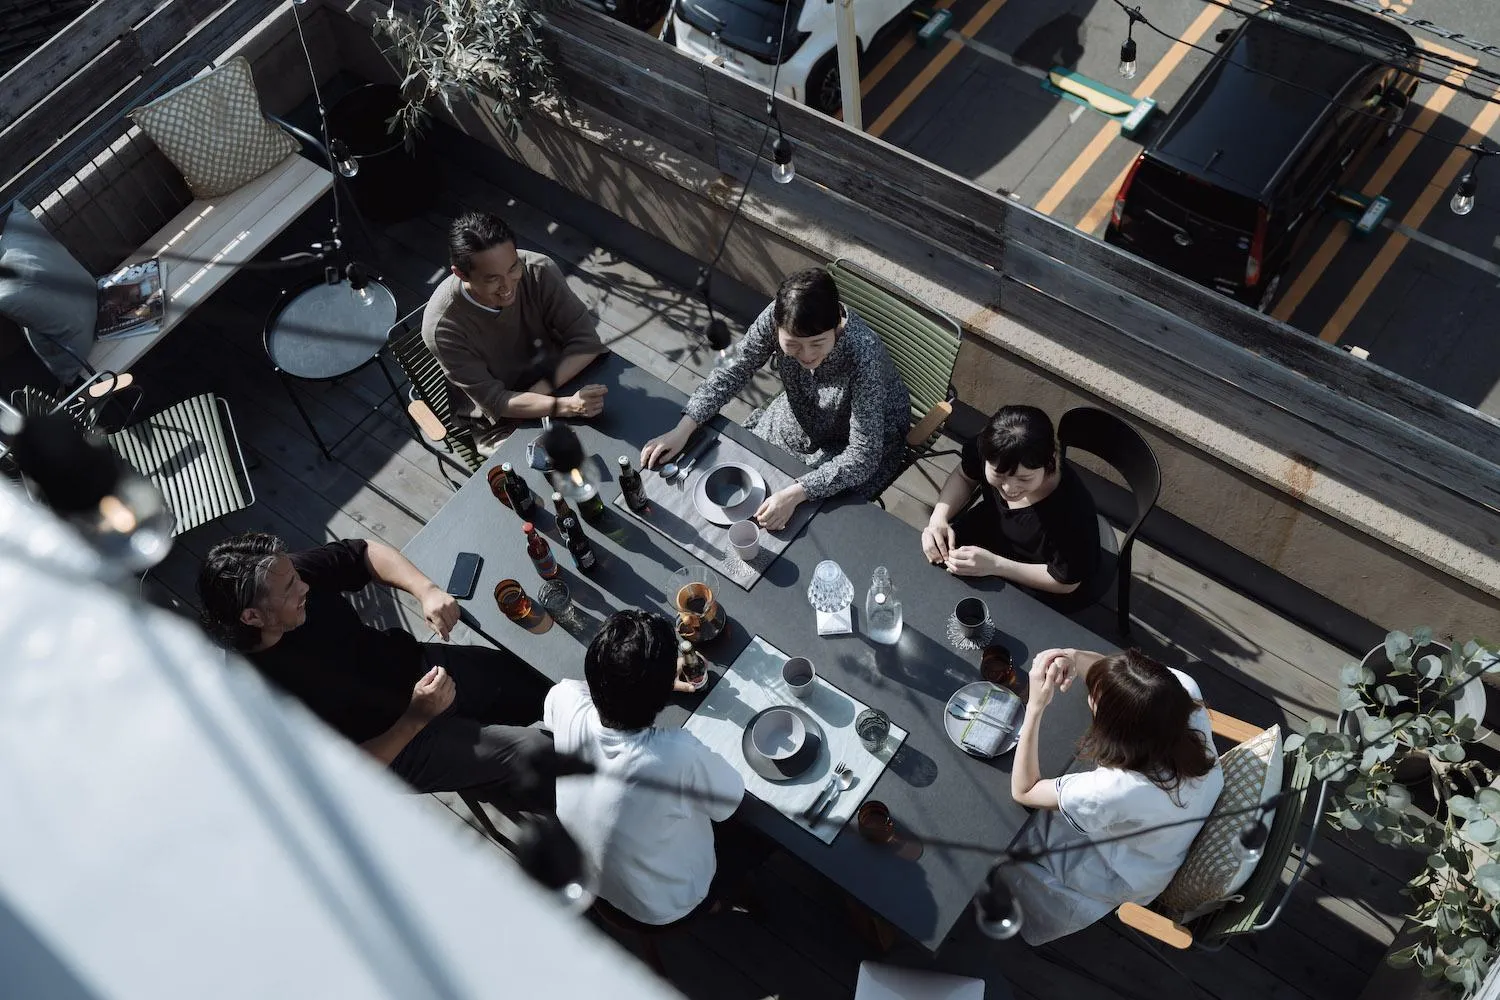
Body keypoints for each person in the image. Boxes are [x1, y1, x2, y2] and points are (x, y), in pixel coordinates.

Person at [198, 532, 555, 810]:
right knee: (539, 754)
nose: (304, 585)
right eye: (291, 587)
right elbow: (345, 775)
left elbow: (364, 553)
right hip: (398, 746)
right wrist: (417, 717)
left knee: (538, 682)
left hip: (417, 670)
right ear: (252, 616)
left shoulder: (287, 575)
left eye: (295, 574)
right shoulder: (256, 699)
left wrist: (426, 590)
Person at [640, 268, 910, 531]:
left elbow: (864, 455)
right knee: (746, 472)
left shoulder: (864, 354)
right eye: (792, 345)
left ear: (836, 327)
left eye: (818, 344)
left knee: (802, 517)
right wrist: (684, 428)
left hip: (862, 440)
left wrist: (797, 492)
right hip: (803, 413)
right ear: (778, 326)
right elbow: (735, 367)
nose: (806, 355)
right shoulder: (775, 316)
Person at [999, 647, 1224, 945]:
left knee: (1009, 832)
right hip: (1167, 835)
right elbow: (1129, 679)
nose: (1090, 696)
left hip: (1124, 870)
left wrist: (1035, 707)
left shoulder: (1118, 788)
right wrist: (1073, 657)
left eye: (1096, 700)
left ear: (1117, 732)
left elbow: (1024, 790)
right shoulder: (1182, 694)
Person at [545, 610, 751, 925]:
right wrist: (657, 683)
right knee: (759, 840)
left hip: (594, 881)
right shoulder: (676, 755)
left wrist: (647, 684)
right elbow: (732, 799)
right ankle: (718, 905)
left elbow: (577, 694)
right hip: (666, 905)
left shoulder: (564, 697)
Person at [422, 210, 609, 455]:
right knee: (550, 465)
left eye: (513, 268)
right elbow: (497, 402)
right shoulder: (443, 327)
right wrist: (566, 407)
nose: (508, 286)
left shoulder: (538, 270)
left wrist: (540, 394)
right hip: (501, 423)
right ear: (460, 274)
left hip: (564, 376)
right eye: (492, 279)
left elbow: (586, 343)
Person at [920, 405, 1100, 611]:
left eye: (1024, 478)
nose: (1008, 489)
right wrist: (938, 518)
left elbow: (1067, 582)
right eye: (998, 475)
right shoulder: (994, 448)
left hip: (1037, 577)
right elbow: (964, 476)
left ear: (1049, 462)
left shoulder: (1073, 512)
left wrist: (996, 565)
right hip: (990, 535)